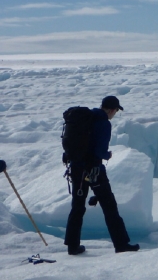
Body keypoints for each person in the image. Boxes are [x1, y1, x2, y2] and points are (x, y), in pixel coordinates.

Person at [64, 96, 140, 255]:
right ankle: (122, 244)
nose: (115, 114)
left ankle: (72, 246)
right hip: (94, 171)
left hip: (76, 169)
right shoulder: (103, 123)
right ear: (112, 110)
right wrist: (107, 155)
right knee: (110, 207)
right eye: (116, 111)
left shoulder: (85, 119)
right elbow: (99, 150)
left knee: (77, 207)